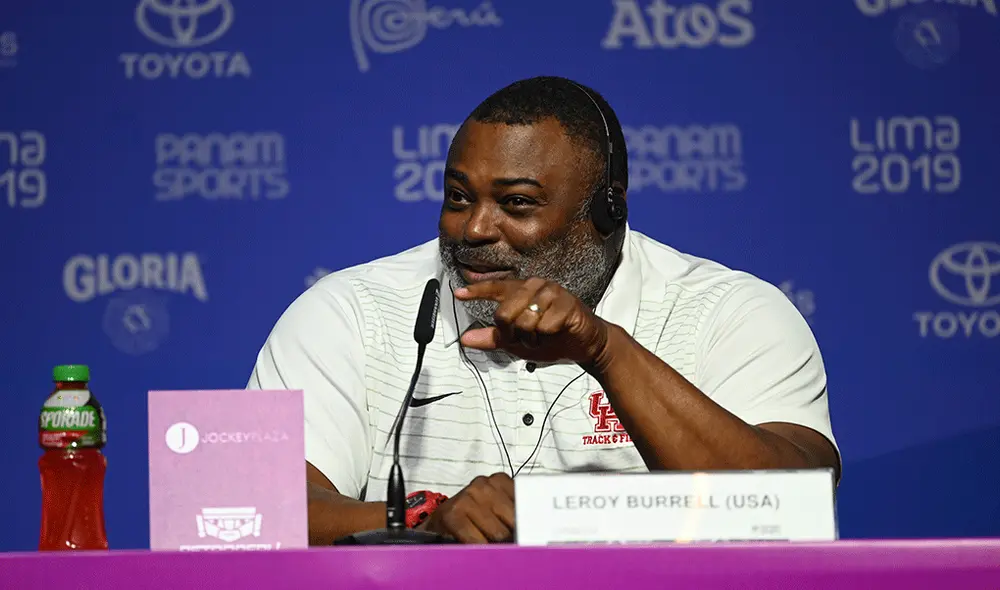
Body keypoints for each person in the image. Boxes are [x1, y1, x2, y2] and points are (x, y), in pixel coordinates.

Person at [247, 76, 840, 545]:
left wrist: (603, 350)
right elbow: (258, 514)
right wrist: (427, 519)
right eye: (459, 197)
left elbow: (791, 505)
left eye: (516, 202)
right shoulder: (351, 312)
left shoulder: (728, 315)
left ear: (606, 213)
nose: (475, 229)